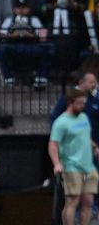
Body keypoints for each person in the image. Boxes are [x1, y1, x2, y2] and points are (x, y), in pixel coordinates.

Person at [50, 88, 99, 225]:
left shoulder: (83, 117)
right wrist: (57, 164)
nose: (83, 106)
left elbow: (84, 137)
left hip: (88, 166)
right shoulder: (61, 122)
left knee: (88, 201)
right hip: (72, 166)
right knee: (73, 201)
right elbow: (53, 145)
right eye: (80, 103)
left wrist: (95, 147)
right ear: (70, 103)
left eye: (84, 103)